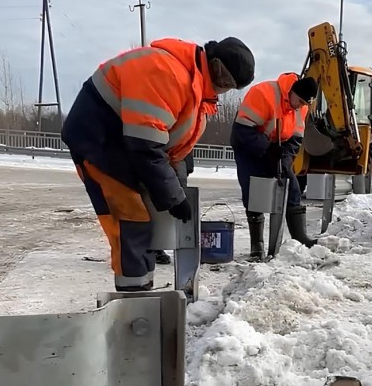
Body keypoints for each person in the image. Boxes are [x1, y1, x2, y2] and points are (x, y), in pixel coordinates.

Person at [61, 36, 255, 291]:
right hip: (99, 140)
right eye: (226, 83)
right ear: (216, 65)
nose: (224, 90)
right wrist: (174, 198)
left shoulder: (197, 92)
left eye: (231, 88)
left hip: (124, 143)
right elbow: (146, 146)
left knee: (145, 216)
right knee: (131, 219)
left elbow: (173, 150)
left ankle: (141, 294)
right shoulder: (168, 73)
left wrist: (178, 191)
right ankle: (134, 302)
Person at [230, 73, 319, 260]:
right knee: (254, 191)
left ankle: (299, 237)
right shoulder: (263, 94)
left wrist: (283, 161)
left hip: (278, 150)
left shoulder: (300, 109)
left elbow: (296, 140)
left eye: (305, 104)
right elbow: (242, 131)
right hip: (249, 148)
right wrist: (267, 148)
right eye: (300, 101)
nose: (300, 106)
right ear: (292, 91)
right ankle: (257, 244)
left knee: (291, 186)